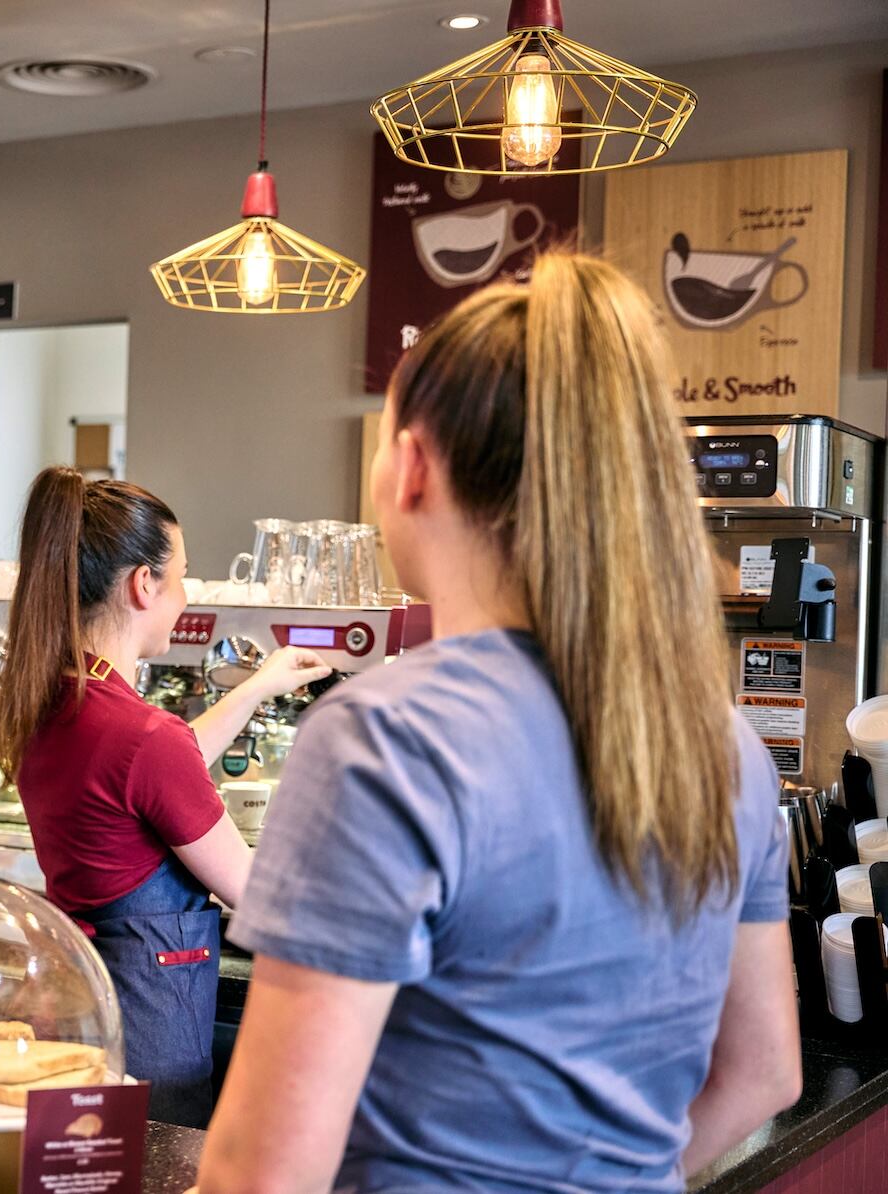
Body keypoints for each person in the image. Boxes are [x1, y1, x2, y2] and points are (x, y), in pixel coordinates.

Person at [197, 254, 801, 1192]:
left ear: (412, 467)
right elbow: (765, 1073)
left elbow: (261, 1175)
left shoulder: (383, 738)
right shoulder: (726, 745)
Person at [0, 467, 332, 1128]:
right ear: (143, 584)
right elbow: (257, 894)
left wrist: (257, 688)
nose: (186, 595)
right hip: (153, 1034)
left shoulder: (50, 702)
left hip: (86, 1014)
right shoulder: (142, 737)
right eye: (181, 574)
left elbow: (149, 769)